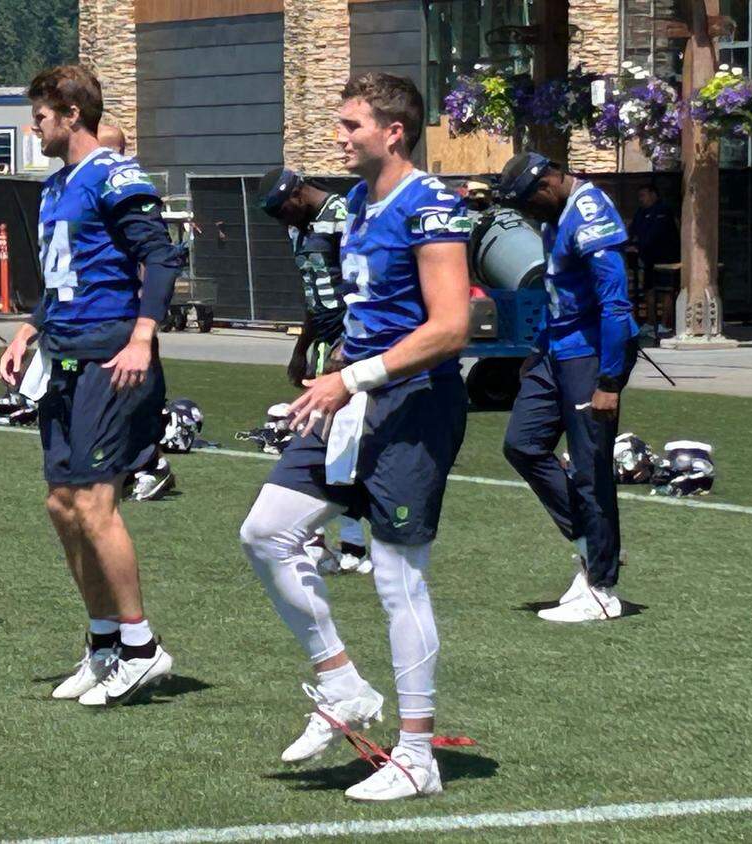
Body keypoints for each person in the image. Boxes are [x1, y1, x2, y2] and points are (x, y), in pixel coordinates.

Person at [239, 72, 471, 801]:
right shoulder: (359, 206)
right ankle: (341, 683)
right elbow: (372, 313)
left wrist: (354, 377)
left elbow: (450, 327)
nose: (337, 137)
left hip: (414, 403)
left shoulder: (429, 203)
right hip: (354, 398)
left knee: (400, 579)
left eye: (349, 124)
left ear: (392, 131)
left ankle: (417, 755)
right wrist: (332, 375)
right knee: (266, 531)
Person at [0, 65, 184, 707]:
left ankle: (141, 646)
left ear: (72, 113)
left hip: (110, 356)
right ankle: (103, 643)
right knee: (61, 505)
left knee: (96, 506)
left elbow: (160, 255)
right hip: (63, 354)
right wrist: (28, 331)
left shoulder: (114, 176)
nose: (35, 126)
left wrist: (142, 336)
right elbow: (62, 281)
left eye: (42, 115)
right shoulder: (55, 189)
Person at [497, 152, 639, 623]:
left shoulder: (591, 215)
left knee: (590, 468)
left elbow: (616, 306)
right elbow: (559, 295)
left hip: (589, 356)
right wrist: (536, 352)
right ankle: (591, 543)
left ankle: (602, 590)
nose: (528, 214)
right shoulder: (555, 217)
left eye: (528, 204)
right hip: (556, 350)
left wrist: (610, 381)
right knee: (522, 444)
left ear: (548, 184)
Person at [255, 166, 372, 575]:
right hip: (324, 344)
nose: (280, 219)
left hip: (350, 346)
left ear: (299, 193)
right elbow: (312, 292)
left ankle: (353, 545)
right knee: (323, 441)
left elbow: (360, 285)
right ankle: (327, 543)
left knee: (343, 444)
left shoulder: (343, 215)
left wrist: (349, 345)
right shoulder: (300, 228)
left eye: (281, 209)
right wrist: (301, 348)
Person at [628, 184, 680, 331]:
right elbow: (633, 230)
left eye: (643, 195)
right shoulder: (641, 212)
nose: (641, 199)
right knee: (649, 289)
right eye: (639, 196)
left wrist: (639, 246)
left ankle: (664, 324)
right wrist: (631, 244)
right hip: (649, 258)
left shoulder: (663, 211)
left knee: (667, 290)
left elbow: (656, 234)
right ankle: (651, 323)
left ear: (653, 195)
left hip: (667, 258)